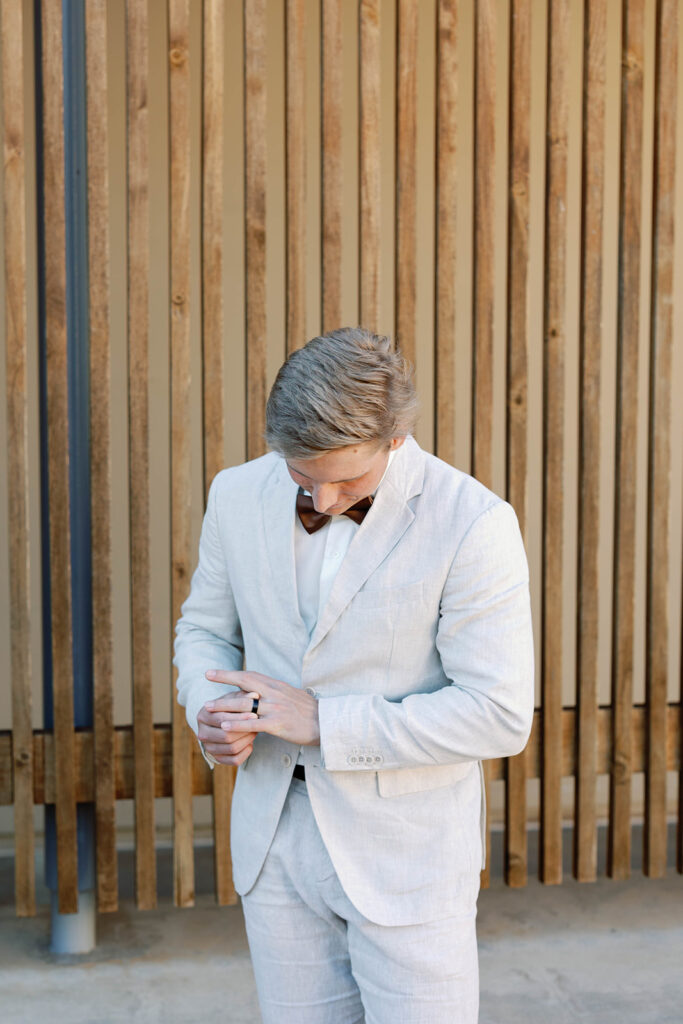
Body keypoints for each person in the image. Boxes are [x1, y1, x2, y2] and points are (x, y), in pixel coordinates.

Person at [174, 327, 534, 1024]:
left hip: (408, 855)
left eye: (349, 480)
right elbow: (205, 629)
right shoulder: (235, 494)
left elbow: (497, 712)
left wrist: (325, 722)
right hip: (272, 839)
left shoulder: (474, 523)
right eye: (304, 478)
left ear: (395, 440)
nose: (326, 500)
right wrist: (210, 710)